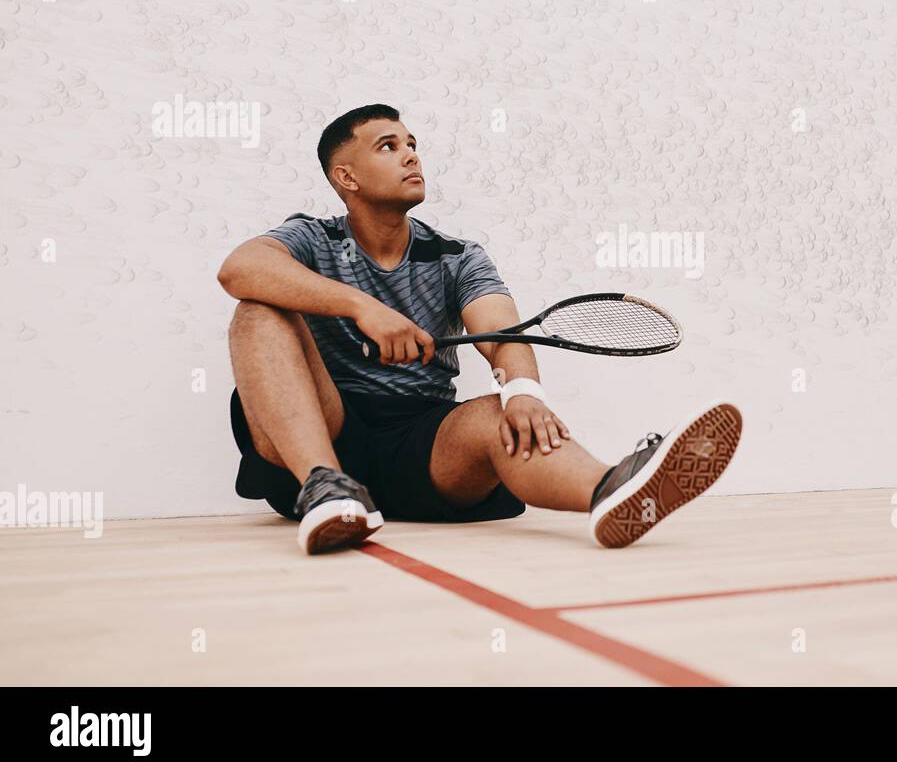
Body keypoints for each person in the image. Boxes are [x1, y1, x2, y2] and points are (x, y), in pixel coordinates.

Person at [216, 104, 743, 554]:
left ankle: (614, 489)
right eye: (387, 145)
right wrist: (361, 307)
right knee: (257, 309)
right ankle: (328, 490)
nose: (410, 154)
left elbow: (500, 331)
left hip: (421, 444)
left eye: (412, 143)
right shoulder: (313, 238)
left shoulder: (458, 256)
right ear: (346, 178)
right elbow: (238, 268)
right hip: (317, 431)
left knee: (503, 414)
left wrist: (523, 390)